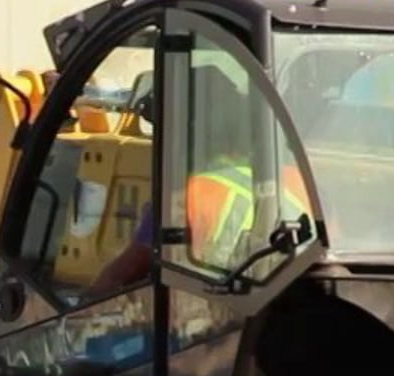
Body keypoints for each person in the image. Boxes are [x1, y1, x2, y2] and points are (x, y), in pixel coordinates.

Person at [84, 65, 309, 299]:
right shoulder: (298, 183)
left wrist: (77, 310)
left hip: (217, 316)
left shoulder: (189, 196)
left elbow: (127, 269)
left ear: (186, 130)